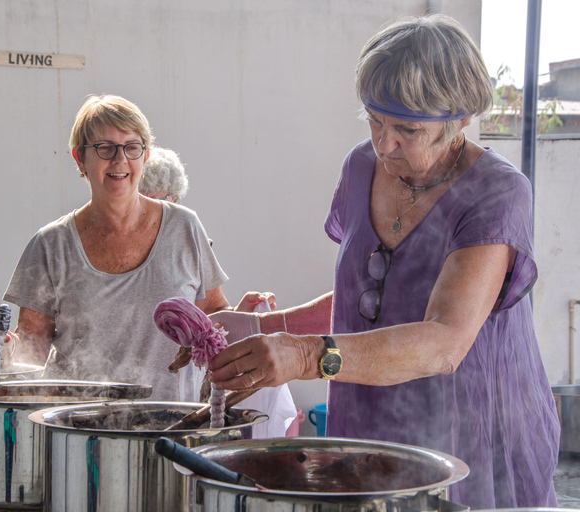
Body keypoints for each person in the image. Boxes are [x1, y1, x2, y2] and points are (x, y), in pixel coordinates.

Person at [208, 14, 559, 508]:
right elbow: (367, 299)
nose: (383, 143)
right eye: (374, 120)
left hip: (471, 435)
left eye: (407, 129)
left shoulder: (497, 193)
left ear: (458, 121)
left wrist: (304, 355)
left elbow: (444, 341)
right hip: (369, 426)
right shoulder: (360, 167)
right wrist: (261, 327)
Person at [0, 94, 268, 401]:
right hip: (78, 427)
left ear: (144, 157)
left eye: (132, 147)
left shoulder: (184, 227)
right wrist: (0, 345)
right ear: (80, 158)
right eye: (104, 148)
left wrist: (248, 323)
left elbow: (212, 314)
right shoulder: (51, 245)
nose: (120, 159)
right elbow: (32, 350)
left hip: (174, 425)